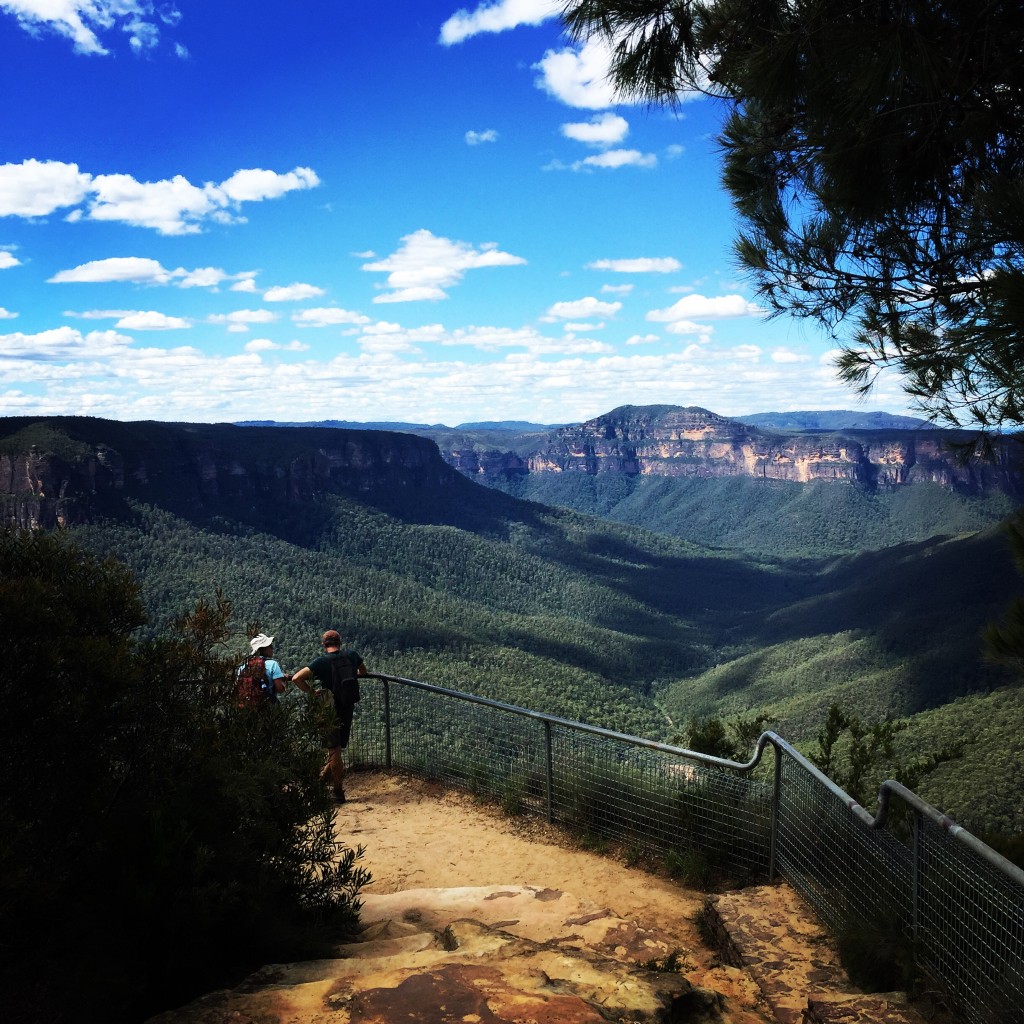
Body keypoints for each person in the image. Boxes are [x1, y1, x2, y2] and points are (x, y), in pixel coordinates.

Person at [291, 629, 368, 803]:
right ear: (340, 642)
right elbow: (363, 672)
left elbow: (296, 678)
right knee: (337, 749)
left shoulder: (321, 663)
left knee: (334, 750)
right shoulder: (352, 655)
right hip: (347, 707)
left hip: (330, 709)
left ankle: (338, 791)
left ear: (324, 645)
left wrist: (312, 692)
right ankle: (320, 783)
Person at [237, 633, 290, 705]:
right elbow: (280, 689)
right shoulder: (273, 664)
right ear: (264, 649)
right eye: (270, 646)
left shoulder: (243, 667)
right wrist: (283, 680)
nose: (272, 648)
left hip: (247, 708)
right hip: (266, 707)